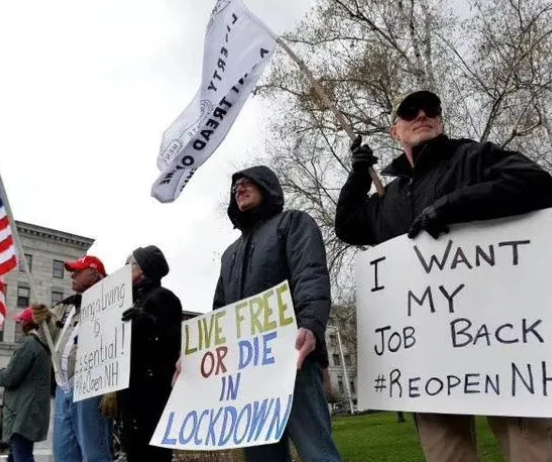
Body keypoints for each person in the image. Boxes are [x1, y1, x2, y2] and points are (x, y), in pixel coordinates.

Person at [335, 89, 552, 462]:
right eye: (410, 111)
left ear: (440, 120)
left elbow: (536, 183)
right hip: (430, 358)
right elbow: (348, 227)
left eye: (431, 109)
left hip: (505, 342)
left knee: (531, 448)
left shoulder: (472, 157)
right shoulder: (390, 197)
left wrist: (452, 206)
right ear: (395, 131)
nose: (422, 114)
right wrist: (357, 178)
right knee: (446, 454)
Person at [208, 165, 343, 462]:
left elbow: (310, 275)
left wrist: (310, 324)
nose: (239, 189)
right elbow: (220, 312)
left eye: (247, 183)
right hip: (247, 371)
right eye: (235, 187)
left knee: (317, 451)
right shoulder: (230, 253)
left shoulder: (294, 223)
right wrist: (199, 359)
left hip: (293, 359)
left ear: (267, 187)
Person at [31, 255, 113, 462]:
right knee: (64, 453)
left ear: (94, 274)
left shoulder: (112, 301)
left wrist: (113, 388)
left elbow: (117, 345)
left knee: (94, 452)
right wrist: (44, 322)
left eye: (78, 271)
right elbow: (52, 341)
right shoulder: (68, 306)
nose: (72, 276)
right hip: (63, 386)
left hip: (91, 384)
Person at [115, 245, 182, 462]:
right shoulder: (128, 302)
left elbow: (172, 339)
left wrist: (147, 321)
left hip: (152, 396)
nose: (123, 270)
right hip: (132, 396)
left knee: (153, 454)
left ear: (142, 269)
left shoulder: (163, 297)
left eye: (128, 265)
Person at [0, 307, 52, 462]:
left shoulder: (28, 344)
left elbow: (9, 377)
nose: (18, 325)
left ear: (26, 323)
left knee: (22, 456)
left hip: (22, 412)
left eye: (20, 321)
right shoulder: (41, 345)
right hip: (29, 410)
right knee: (16, 456)